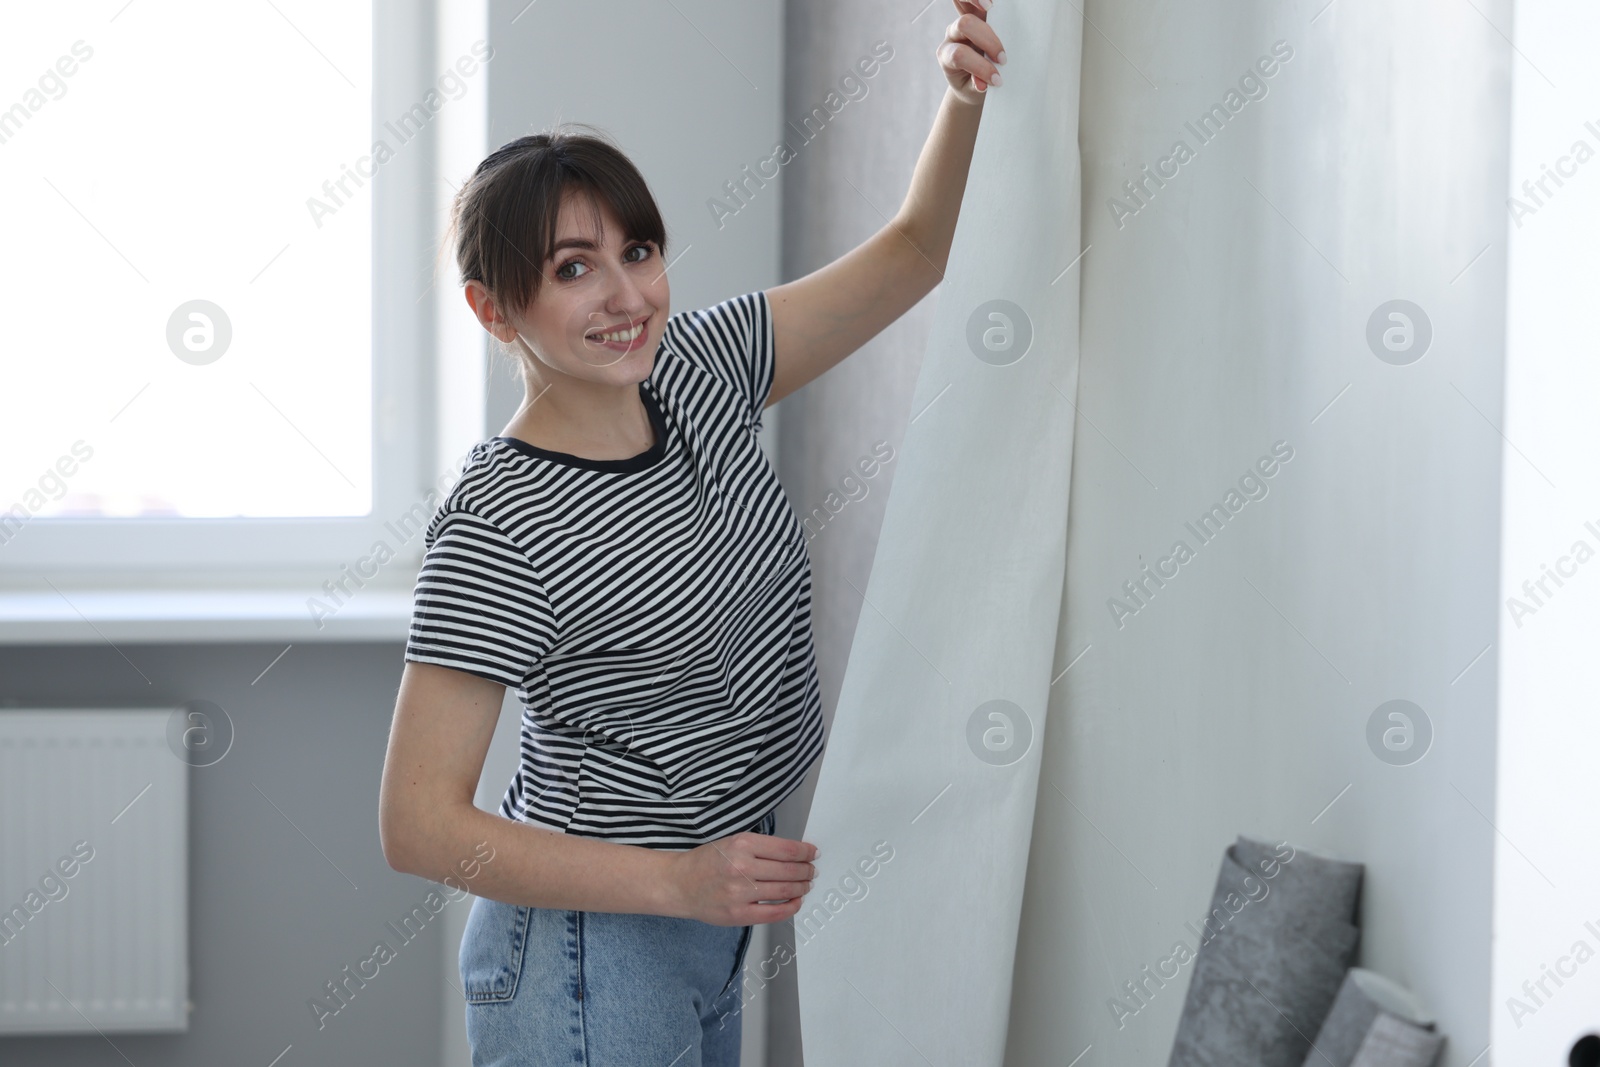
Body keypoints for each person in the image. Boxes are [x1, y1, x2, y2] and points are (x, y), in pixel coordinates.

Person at [378, 4, 1006, 1062]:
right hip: (588, 954)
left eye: (639, 249)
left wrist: (960, 93)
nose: (628, 295)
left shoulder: (702, 369)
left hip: (705, 929)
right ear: (497, 312)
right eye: (574, 268)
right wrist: (675, 878)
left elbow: (914, 253)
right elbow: (418, 825)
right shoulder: (499, 522)